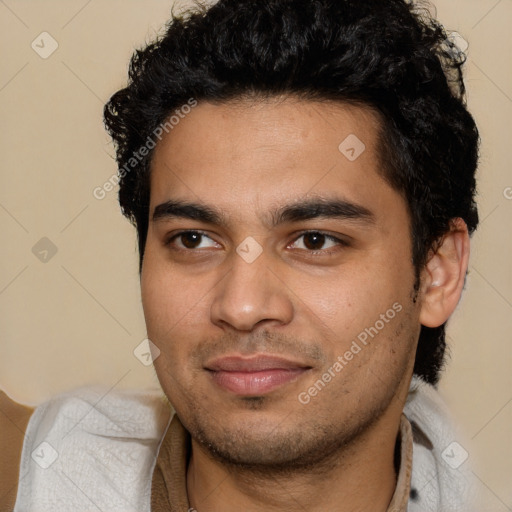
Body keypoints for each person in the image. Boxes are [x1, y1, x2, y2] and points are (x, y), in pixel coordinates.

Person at [1, 0, 480, 510]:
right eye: (194, 240)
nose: (242, 306)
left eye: (314, 240)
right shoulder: (38, 475)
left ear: (436, 273)